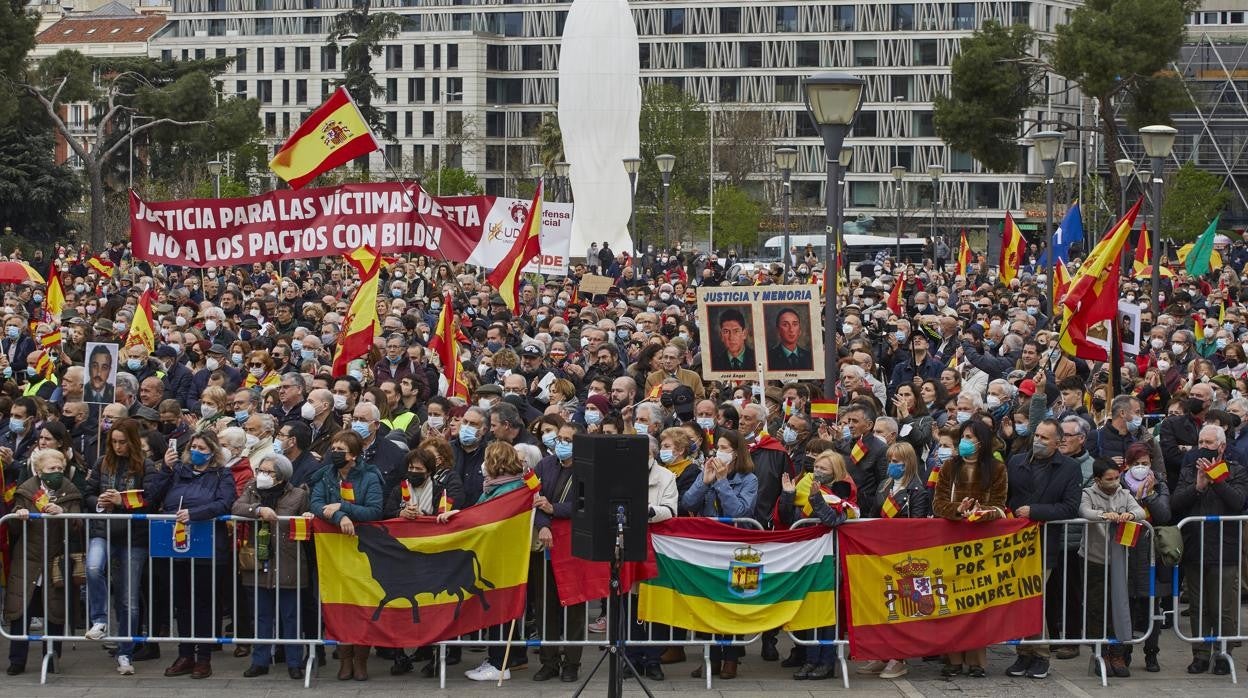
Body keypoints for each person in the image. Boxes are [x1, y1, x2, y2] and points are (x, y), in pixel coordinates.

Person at [148, 429, 237, 680]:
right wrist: (165, 469)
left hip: (207, 545)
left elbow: (224, 503)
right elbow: (152, 498)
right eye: (193, 447)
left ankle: (204, 657)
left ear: (213, 453)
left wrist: (195, 514)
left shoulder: (222, 474)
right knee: (183, 603)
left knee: (204, 603)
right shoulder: (178, 472)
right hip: (175, 544)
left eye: (202, 449)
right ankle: (185, 654)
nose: (196, 452)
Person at [444, 442, 530, 682]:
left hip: (503, 558)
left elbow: (486, 517)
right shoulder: (496, 488)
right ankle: (496, 658)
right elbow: (478, 511)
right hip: (496, 556)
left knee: (501, 610)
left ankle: (499, 663)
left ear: (495, 463)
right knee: (496, 609)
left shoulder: (510, 490)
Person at [1004, 418, 1082, 677]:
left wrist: (1035, 512)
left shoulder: (1069, 468)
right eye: (1036, 435)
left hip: (1045, 544)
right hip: (1015, 544)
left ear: (1058, 442)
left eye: (1044, 438)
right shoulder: (1016, 462)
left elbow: (1070, 507)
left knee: (1033, 598)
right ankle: (1024, 654)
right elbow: (1006, 498)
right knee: (1019, 600)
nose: (1038, 440)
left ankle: (1040, 655)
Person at [83, 417, 160, 676]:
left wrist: (122, 501)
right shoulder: (102, 462)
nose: (118, 447)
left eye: (122, 442)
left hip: (133, 537)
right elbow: (88, 493)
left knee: (129, 598)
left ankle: (126, 652)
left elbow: (151, 499)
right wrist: (100, 502)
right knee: (93, 567)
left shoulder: (145, 466)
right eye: (114, 442)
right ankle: (100, 620)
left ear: (132, 442)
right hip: (103, 530)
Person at [931, 419, 1007, 678]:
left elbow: (999, 505)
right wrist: (958, 510)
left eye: (969, 437)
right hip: (951, 541)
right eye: (963, 436)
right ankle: (952, 659)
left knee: (976, 603)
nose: (964, 441)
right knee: (951, 600)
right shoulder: (949, 467)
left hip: (981, 547)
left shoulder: (996, 469)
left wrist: (979, 512)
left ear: (981, 442)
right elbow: (938, 504)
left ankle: (977, 661)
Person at [681, 429, 758, 680]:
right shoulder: (709, 471)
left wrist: (723, 482)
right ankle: (710, 657)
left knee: (734, 603)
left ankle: (731, 658)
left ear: (736, 453)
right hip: (709, 548)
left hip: (738, 549)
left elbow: (739, 512)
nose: (718, 453)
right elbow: (688, 503)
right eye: (717, 448)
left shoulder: (749, 479)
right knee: (708, 602)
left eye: (724, 448)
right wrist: (705, 481)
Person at [1172, 424, 1248, 675]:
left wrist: (1216, 481)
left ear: (1222, 446)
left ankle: (1223, 652)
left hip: (1225, 549)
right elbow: (1176, 504)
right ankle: (1200, 653)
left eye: (1209, 443)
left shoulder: (1236, 471)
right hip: (1196, 547)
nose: (1203, 448)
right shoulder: (1188, 470)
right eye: (1200, 443)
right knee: (1198, 605)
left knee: (1224, 606)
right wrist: (1198, 486)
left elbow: (1237, 502)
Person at [308, 430, 384, 681]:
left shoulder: (370, 476)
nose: (335, 453)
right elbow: (316, 504)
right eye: (333, 448)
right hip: (334, 553)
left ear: (353, 456)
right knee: (339, 606)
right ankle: (345, 658)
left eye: (340, 450)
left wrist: (342, 506)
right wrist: (339, 517)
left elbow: (374, 511)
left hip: (363, 551)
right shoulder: (326, 475)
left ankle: (361, 659)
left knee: (362, 607)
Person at [4, 448, 83, 676]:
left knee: (54, 609)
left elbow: (78, 524)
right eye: (51, 469)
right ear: (39, 471)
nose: (56, 472)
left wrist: (64, 513)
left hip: (56, 559)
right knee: (21, 610)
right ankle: (17, 660)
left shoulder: (70, 491)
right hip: (27, 559)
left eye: (59, 468)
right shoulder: (26, 491)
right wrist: (20, 515)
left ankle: (52, 657)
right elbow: (13, 527)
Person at [232, 453, 310, 679]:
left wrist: (307, 517)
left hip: (288, 561)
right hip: (258, 560)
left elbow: (305, 524)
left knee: (291, 616)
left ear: (281, 477)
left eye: (268, 472)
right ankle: (260, 660)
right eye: (261, 471)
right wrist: (257, 510)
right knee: (262, 615)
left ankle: (294, 662)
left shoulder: (298, 495)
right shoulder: (252, 489)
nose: (262, 476)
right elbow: (237, 507)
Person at [779, 449, 855, 681]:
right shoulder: (805, 487)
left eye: (824, 469)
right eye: (816, 467)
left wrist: (816, 498)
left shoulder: (842, 492)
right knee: (810, 612)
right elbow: (788, 519)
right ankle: (811, 659)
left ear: (836, 472)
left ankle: (826, 662)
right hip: (807, 558)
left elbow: (832, 519)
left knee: (826, 614)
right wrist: (788, 495)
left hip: (830, 561)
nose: (817, 472)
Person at [1077, 459, 1145, 679]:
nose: (1115, 482)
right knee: (1097, 607)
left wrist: (1130, 515)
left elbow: (1140, 512)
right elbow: (1084, 511)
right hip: (1093, 558)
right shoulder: (1088, 493)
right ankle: (1101, 652)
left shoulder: (1124, 493)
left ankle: (1117, 652)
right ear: (1098, 479)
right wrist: (1105, 516)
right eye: (1109, 479)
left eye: (1117, 477)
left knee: (1119, 605)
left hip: (1119, 560)